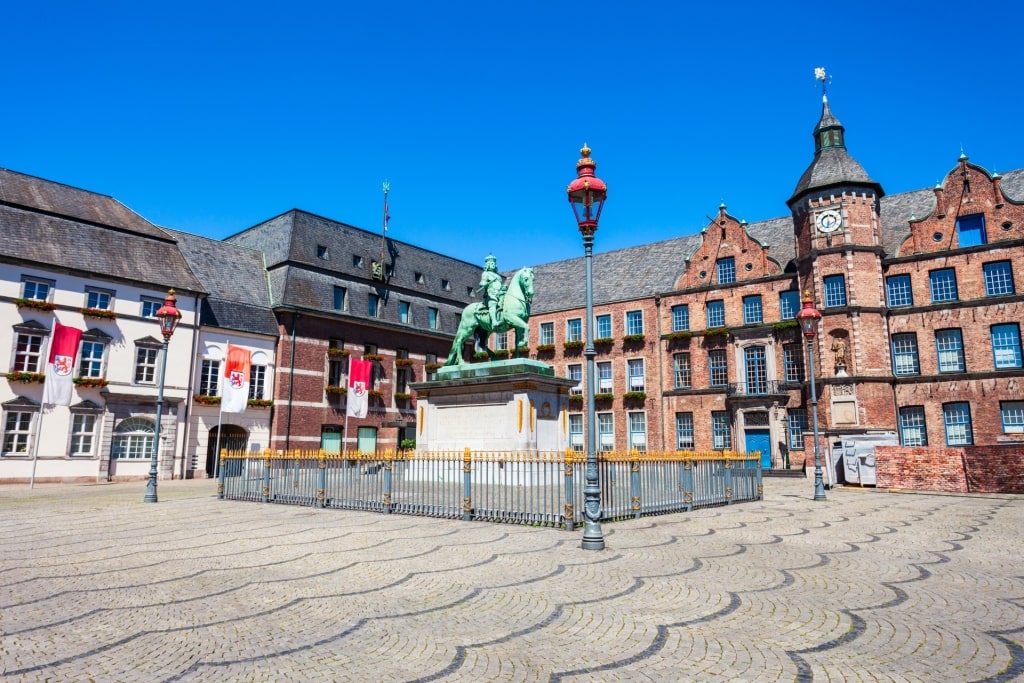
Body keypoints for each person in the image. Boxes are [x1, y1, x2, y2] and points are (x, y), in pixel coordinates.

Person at [478, 254, 504, 328]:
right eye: (491, 263)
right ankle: (494, 321)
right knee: (493, 303)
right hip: (490, 295)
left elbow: (500, 286)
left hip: (499, 294)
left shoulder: (498, 276)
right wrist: (484, 283)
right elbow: (482, 283)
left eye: (494, 263)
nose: (493, 265)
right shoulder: (486, 273)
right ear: (487, 265)